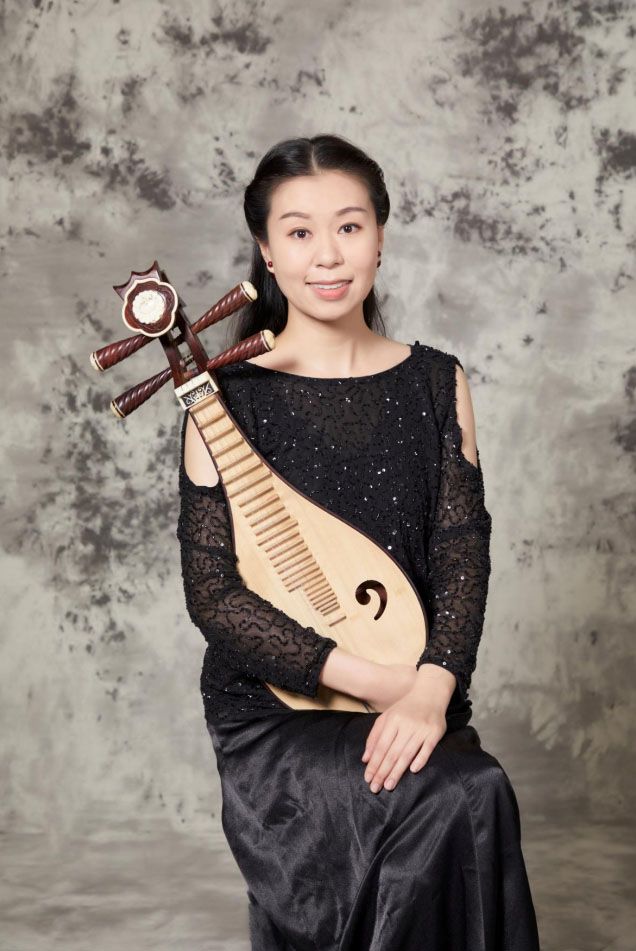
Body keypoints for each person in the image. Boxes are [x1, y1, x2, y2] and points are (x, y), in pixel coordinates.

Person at [176, 133, 541, 950]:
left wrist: (431, 684)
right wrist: (378, 682)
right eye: (299, 231)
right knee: (457, 792)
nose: (328, 255)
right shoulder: (223, 398)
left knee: (472, 788)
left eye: (349, 226)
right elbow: (215, 596)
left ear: (380, 235)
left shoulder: (435, 380)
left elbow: (460, 552)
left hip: (416, 680)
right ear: (267, 252)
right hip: (275, 713)